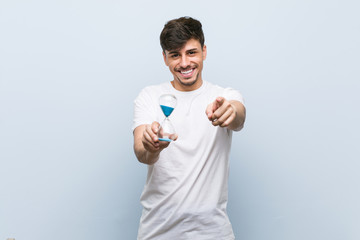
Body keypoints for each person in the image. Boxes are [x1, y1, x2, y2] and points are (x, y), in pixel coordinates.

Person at [132, 16, 246, 240]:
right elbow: (142, 153)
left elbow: (238, 116)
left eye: (191, 52)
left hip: (213, 232)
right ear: (165, 58)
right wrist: (151, 145)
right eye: (175, 54)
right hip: (158, 230)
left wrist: (230, 111)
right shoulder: (150, 96)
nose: (184, 63)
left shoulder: (224, 96)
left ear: (204, 51)